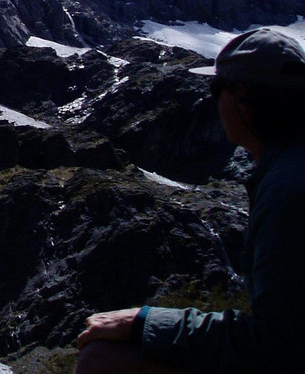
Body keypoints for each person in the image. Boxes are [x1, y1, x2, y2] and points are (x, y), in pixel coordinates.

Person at [74, 27, 305, 374]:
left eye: (217, 89)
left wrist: (149, 321)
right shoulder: (289, 168)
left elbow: (282, 343)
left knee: (103, 359)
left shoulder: (288, 192)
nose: (213, 101)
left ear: (243, 97)